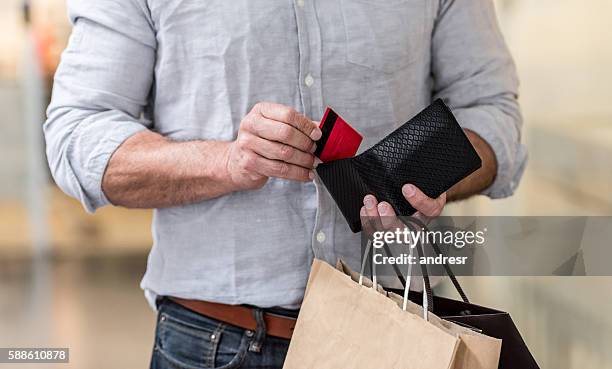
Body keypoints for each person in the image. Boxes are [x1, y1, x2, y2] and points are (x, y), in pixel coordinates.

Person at [44, 0, 527, 367]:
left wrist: (429, 171)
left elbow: (492, 113)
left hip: (399, 333)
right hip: (213, 341)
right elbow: (77, 135)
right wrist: (227, 163)